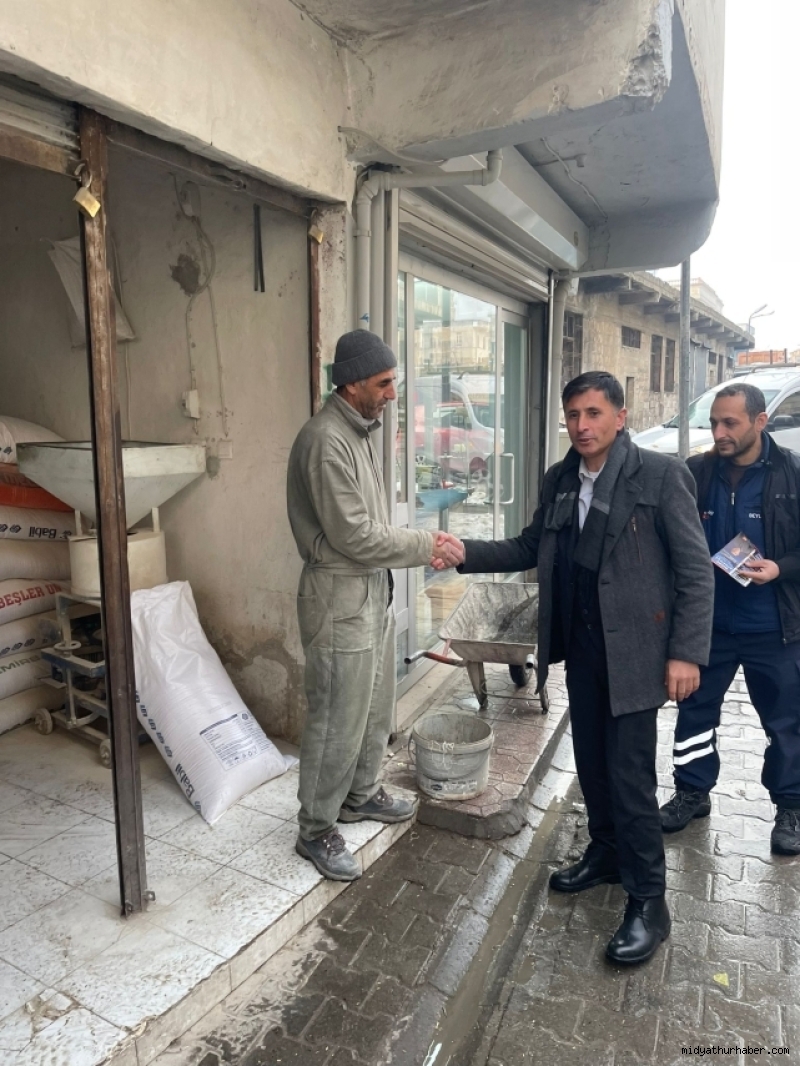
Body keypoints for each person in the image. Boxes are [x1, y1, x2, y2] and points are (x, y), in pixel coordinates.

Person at [435, 371, 713, 964]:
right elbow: (530, 546)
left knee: (630, 778)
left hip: (637, 652)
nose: (582, 426)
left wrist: (686, 652)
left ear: (620, 416)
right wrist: (467, 552)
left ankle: (649, 901)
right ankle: (606, 853)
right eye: (573, 415)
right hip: (583, 647)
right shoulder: (561, 478)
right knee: (591, 762)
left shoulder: (661, 476)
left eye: (593, 413)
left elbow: (695, 570)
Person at [286, 330, 462, 881]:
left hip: (367, 589)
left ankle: (359, 794)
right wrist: (426, 545)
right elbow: (354, 535)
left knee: (373, 704)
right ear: (352, 383)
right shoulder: (325, 440)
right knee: (337, 715)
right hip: (339, 596)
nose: (392, 394)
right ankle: (315, 828)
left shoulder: (356, 431)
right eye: (384, 383)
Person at [659, 383, 800, 855]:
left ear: (760, 422)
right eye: (714, 422)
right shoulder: (695, 473)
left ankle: (791, 807)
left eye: (730, 423)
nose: (719, 432)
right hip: (708, 625)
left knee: (786, 722)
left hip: (774, 626)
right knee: (695, 712)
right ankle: (692, 791)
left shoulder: (793, 474)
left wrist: (781, 568)